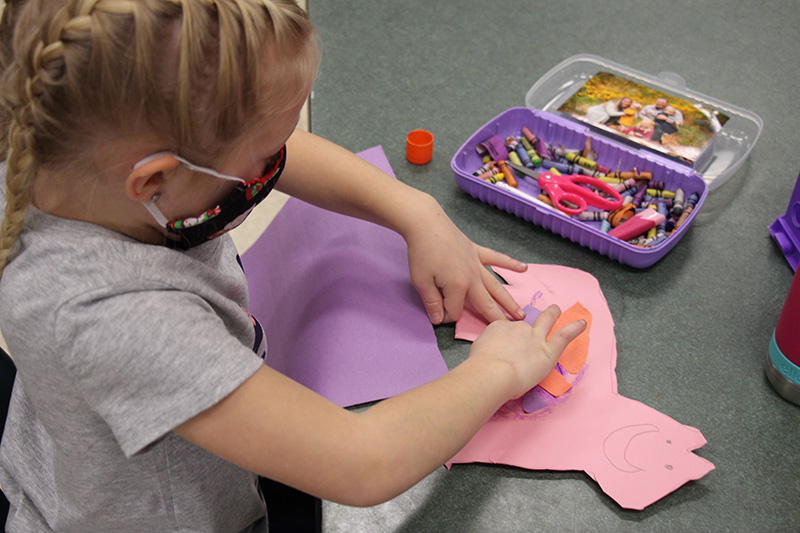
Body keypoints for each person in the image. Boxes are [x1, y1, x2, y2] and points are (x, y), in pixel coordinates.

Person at [0, 1, 586, 531]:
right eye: (263, 156)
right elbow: (363, 462)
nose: (276, 161)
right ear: (153, 180)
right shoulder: (119, 320)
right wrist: (497, 371)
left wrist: (414, 210)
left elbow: (262, 142)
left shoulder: (57, 149)